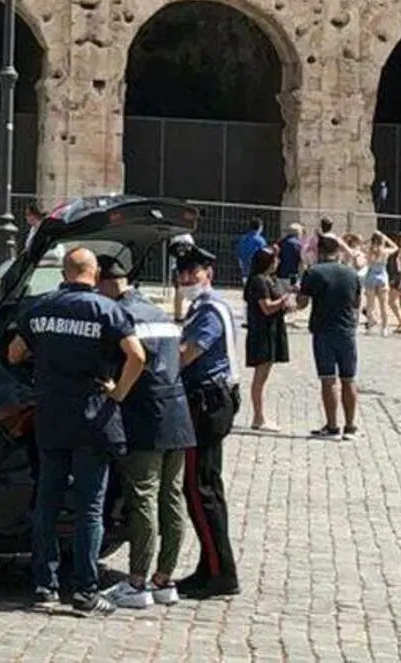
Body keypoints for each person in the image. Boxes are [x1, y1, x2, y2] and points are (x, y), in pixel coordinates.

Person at [6, 247, 146, 616]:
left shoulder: (40, 309)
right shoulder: (107, 310)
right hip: (92, 417)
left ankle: (44, 585)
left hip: (51, 415)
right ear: (95, 273)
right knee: (90, 508)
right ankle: (85, 591)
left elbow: (14, 354)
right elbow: (138, 355)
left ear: (64, 272)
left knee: (47, 503)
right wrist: (118, 392)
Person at [96, 255, 193, 609]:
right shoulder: (158, 311)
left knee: (144, 498)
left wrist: (115, 390)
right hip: (177, 413)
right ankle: (165, 580)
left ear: (107, 283)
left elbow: (129, 361)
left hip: (144, 415)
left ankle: (136, 582)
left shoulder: (121, 316)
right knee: (172, 497)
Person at [174, 242, 240, 597]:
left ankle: (220, 572)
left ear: (208, 274)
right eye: (183, 273)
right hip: (214, 399)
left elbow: (187, 354)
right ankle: (212, 564)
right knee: (208, 487)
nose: (187, 278)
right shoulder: (205, 307)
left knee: (198, 489)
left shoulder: (208, 311)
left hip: (206, 402)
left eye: (193, 272)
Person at [300, 234, 364, 440]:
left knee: (328, 380)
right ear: (338, 251)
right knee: (349, 379)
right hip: (346, 331)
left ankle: (332, 425)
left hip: (323, 331)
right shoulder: (351, 274)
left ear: (319, 251)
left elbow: (302, 303)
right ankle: (351, 426)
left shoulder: (313, 273)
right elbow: (356, 304)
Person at [242, 246, 294, 431]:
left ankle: (260, 415)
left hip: (272, 330)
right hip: (262, 333)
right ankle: (258, 416)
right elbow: (266, 307)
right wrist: (283, 300)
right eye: (275, 259)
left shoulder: (268, 280)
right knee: (260, 377)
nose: (278, 262)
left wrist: (285, 305)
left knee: (264, 375)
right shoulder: (258, 281)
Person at [364, 231, 397, 335]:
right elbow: (395, 247)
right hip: (382, 276)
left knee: (370, 304)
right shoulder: (384, 251)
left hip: (371, 275)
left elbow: (361, 246)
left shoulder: (370, 251)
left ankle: (370, 325)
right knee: (383, 305)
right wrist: (386, 238)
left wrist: (369, 241)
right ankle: (384, 328)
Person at [234, 219, 267, 283]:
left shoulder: (242, 238)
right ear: (260, 227)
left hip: (245, 270)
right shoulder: (261, 240)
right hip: (256, 272)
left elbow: (239, 254)